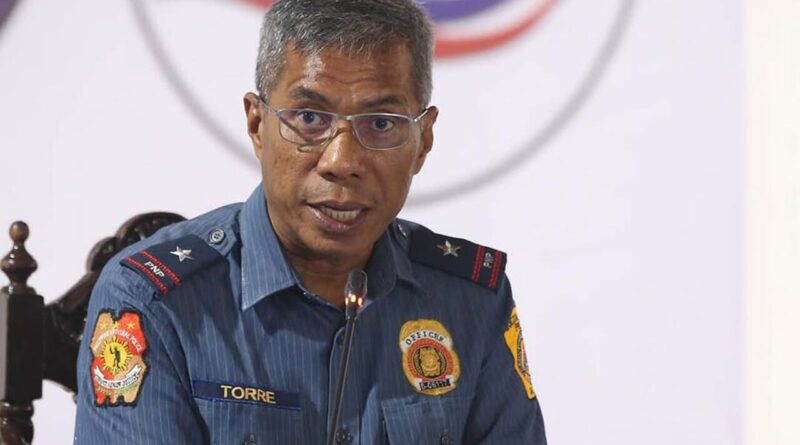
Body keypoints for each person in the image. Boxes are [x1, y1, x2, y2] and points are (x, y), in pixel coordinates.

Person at [73, 0, 547, 443]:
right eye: (308, 117)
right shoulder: (155, 300)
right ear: (257, 124)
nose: (342, 161)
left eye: (381, 123)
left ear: (422, 141)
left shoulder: (469, 299)